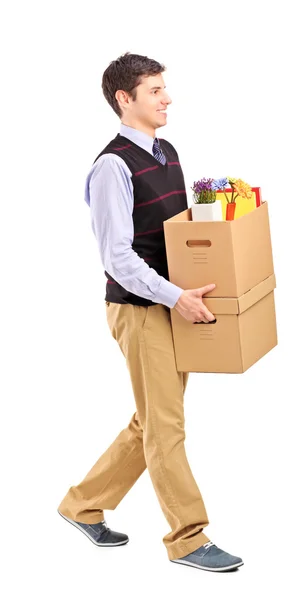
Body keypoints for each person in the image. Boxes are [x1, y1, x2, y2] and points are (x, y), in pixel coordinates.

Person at [57, 52, 244, 573]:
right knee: (166, 425)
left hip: (170, 304)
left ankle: (81, 505)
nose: (167, 98)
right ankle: (187, 538)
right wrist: (174, 296)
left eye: (165, 89)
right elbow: (117, 255)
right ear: (125, 98)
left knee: (150, 422)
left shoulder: (167, 152)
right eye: (155, 90)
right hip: (141, 311)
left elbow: (175, 233)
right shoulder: (112, 166)